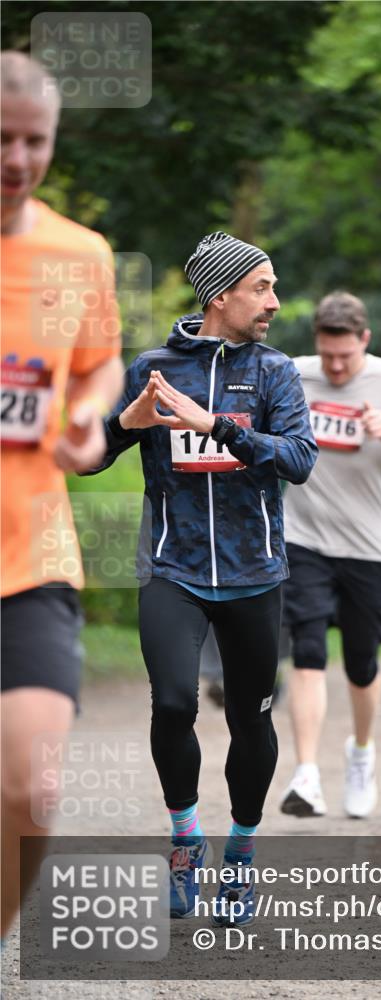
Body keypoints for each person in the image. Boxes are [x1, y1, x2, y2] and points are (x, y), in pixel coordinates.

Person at [84, 231, 317, 923]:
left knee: (250, 719)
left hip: (254, 574)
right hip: (171, 570)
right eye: (261, 287)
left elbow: (299, 459)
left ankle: (240, 859)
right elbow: (85, 457)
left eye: (273, 287)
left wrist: (217, 425)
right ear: (221, 295)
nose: (273, 301)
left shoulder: (275, 372)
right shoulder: (153, 366)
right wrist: (123, 424)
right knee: (174, 705)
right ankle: (186, 845)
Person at [0, 52, 124, 939]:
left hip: (30, 548)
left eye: (33, 141)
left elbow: (101, 363)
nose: (15, 157)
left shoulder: (80, 255)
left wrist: (89, 413)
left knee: (34, 791)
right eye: (1, 138)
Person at [280, 291, 381, 819]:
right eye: (328, 355)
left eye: (346, 355)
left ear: (365, 340)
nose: (336, 366)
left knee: (361, 663)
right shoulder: (294, 374)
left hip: (368, 547)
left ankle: (362, 754)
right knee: (306, 650)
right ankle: (306, 775)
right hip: (303, 539)